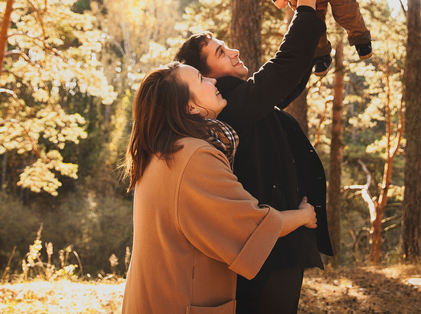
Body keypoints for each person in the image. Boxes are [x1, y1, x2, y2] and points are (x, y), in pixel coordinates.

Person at [175, 0, 333, 314]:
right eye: (220, 52)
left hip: (278, 249)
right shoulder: (227, 107)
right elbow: (281, 71)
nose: (233, 51)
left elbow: (287, 81)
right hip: (268, 254)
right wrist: (306, 7)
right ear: (207, 78)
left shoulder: (244, 104)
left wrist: (313, 15)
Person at [121, 61, 318, 314]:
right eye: (201, 79)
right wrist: (303, 216)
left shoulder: (162, 151)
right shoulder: (195, 156)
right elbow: (253, 226)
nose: (213, 80)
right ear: (191, 107)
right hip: (179, 302)